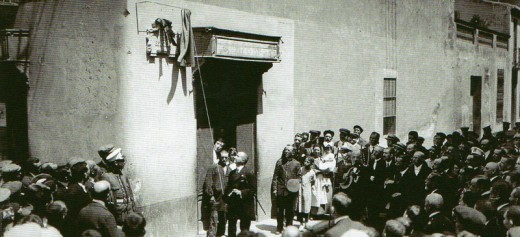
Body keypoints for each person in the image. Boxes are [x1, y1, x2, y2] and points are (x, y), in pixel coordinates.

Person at [100, 147, 136, 225]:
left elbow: (130, 193)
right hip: (119, 217)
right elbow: (109, 201)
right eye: (121, 161)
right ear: (116, 163)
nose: (124, 162)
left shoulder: (123, 175)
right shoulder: (107, 177)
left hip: (130, 214)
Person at [225, 152, 256, 237]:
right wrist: (229, 192)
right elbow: (228, 186)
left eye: (237, 156)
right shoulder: (232, 173)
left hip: (245, 204)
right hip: (233, 203)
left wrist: (241, 192)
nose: (235, 157)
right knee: (231, 225)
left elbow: (253, 190)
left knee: (244, 227)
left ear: (243, 160)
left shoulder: (249, 173)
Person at [271, 146, 301, 234]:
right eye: (285, 150)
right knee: (280, 210)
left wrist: (294, 183)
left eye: (288, 150)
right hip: (280, 189)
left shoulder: (297, 163)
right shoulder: (279, 162)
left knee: (290, 211)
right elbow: (275, 177)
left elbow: (299, 177)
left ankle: (289, 229)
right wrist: (275, 189)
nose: (286, 152)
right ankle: (279, 228)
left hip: (291, 191)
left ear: (292, 152)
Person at [202, 150, 231, 237]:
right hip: (215, 196)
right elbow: (208, 182)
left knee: (224, 217)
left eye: (226, 157)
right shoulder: (214, 167)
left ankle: (220, 233)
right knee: (214, 217)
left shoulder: (229, 169)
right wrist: (210, 195)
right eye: (223, 157)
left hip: (225, 197)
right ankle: (211, 235)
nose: (224, 159)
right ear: (219, 157)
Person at [296, 156, 316, 231]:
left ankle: (306, 222)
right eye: (305, 161)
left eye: (308, 162)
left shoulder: (312, 172)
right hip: (300, 189)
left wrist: (311, 186)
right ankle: (301, 223)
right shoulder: (301, 169)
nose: (305, 163)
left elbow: (313, 181)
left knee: (307, 206)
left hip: (307, 190)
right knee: (300, 206)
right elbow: (298, 178)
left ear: (311, 163)